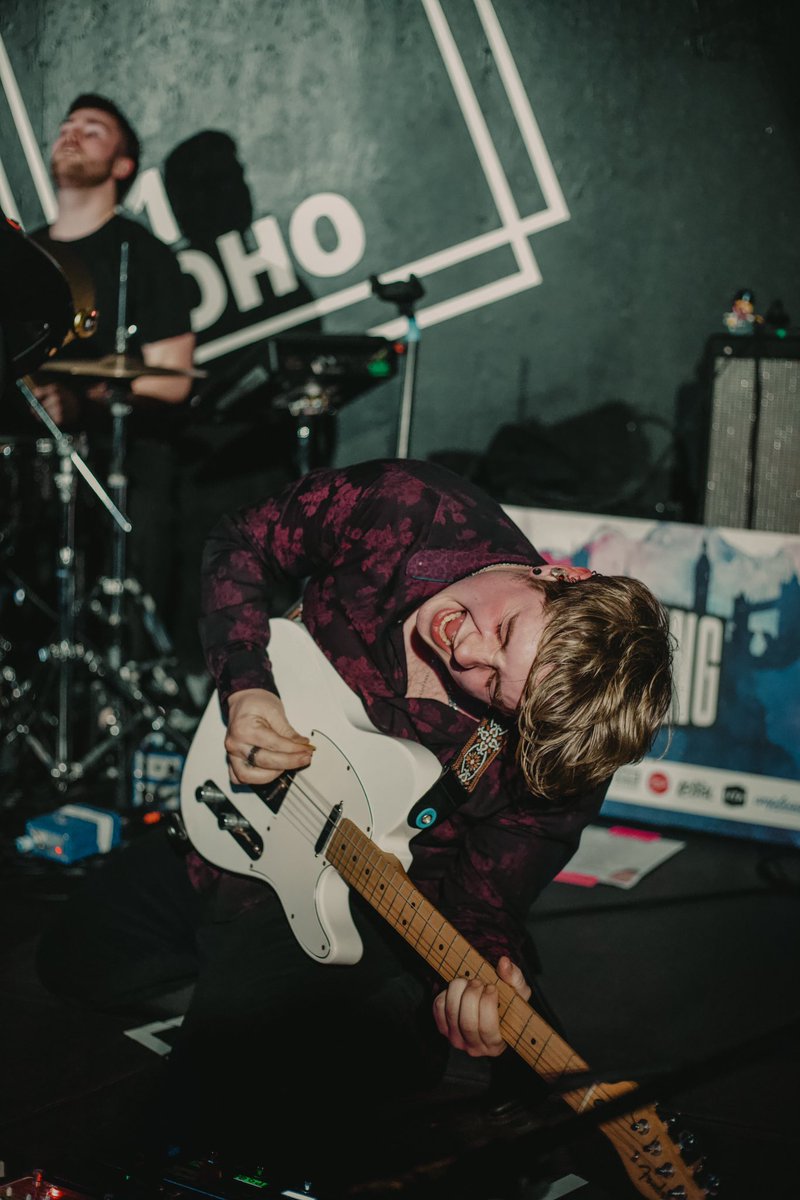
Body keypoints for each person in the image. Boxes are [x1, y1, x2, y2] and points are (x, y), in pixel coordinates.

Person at [35, 458, 674, 1191]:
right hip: (236, 823)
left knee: (203, 1109)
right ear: (559, 575)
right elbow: (240, 542)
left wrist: (479, 972)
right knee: (74, 963)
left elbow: (485, 899)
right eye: (504, 629)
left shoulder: (558, 755)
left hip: (374, 901)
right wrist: (246, 689)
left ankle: (350, 1023)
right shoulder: (408, 510)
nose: (467, 651)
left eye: (498, 687)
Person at [18, 94, 196, 650]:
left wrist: (85, 403)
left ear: (122, 167)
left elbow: (174, 379)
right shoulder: (22, 255)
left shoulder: (143, 255)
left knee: (119, 636)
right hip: (26, 480)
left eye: (92, 130)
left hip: (119, 479)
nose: (71, 133)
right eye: (66, 125)